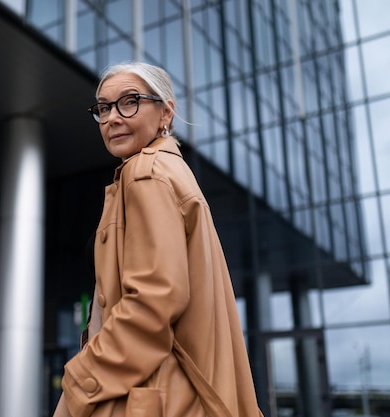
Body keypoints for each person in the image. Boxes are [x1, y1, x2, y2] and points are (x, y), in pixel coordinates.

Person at [53, 61, 262, 417]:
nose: (113, 117)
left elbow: (153, 301)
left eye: (130, 101)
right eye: (104, 108)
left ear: (166, 111)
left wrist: (79, 384)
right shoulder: (170, 171)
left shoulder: (145, 173)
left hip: (152, 396)